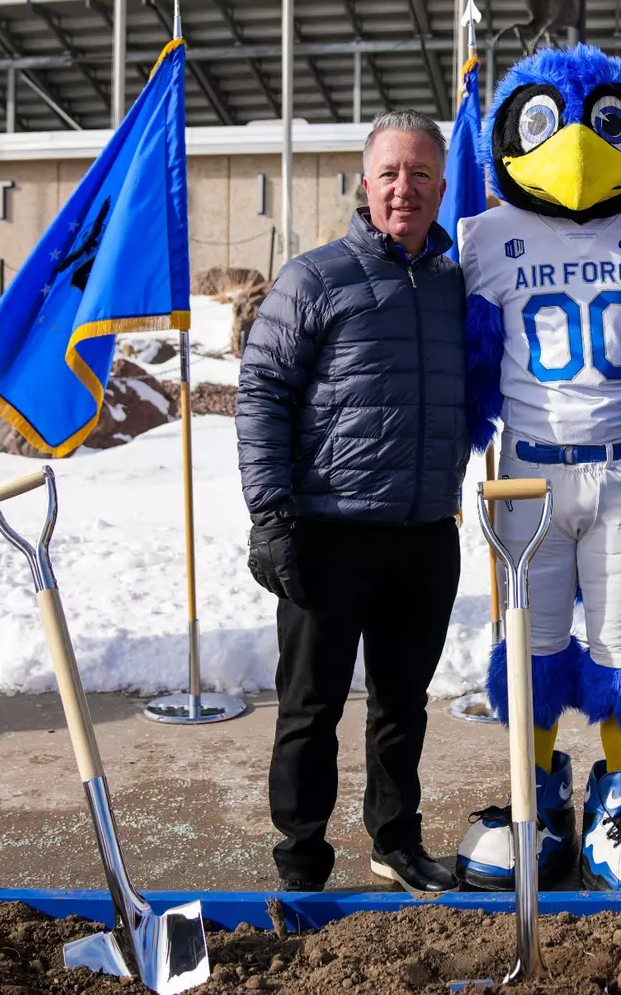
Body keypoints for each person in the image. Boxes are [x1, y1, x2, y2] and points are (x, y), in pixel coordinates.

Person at [455, 44, 621, 892]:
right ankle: (537, 795)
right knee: (534, 646)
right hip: (527, 474)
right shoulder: (486, 235)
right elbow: (474, 365)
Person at [236, 108, 467, 894]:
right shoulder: (315, 277)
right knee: (311, 707)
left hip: (426, 532)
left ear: (442, 185)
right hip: (328, 532)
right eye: (390, 174)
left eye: (421, 174)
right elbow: (262, 390)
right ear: (364, 185)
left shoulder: (454, 284)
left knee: (404, 703)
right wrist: (270, 513)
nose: (405, 189)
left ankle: (396, 839)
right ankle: (300, 857)